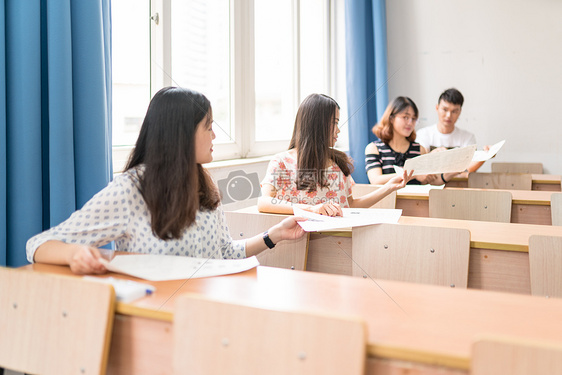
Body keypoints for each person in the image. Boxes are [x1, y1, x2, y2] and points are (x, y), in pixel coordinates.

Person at [26, 87, 307, 275]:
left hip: (204, 307)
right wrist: (75, 253)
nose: (214, 136)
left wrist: (275, 235)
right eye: (208, 127)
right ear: (181, 134)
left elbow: (224, 253)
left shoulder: (202, 185)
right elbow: (38, 245)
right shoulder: (133, 189)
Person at [257, 93, 412, 217]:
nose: (338, 130)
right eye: (335, 123)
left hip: (339, 241)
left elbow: (350, 205)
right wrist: (311, 209)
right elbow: (264, 202)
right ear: (317, 124)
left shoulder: (337, 163)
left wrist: (388, 188)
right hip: (299, 242)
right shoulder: (282, 162)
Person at [365, 96, 447, 185]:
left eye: (414, 119)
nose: (410, 123)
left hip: (415, 198)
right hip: (387, 199)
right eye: (405, 117)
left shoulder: (419, 150)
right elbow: (376, 181)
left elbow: (428, 181)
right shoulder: (374, 148)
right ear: (391, 118)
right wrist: (414, 174)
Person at [415, 88, 489, 174]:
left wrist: (486, 155)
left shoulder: (467, 137)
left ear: (460, 112)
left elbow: (469, 168)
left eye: (454, 111)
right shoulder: (423, 134)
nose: (448, 115)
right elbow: (419, 166)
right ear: (437, 108)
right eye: (445, 110)